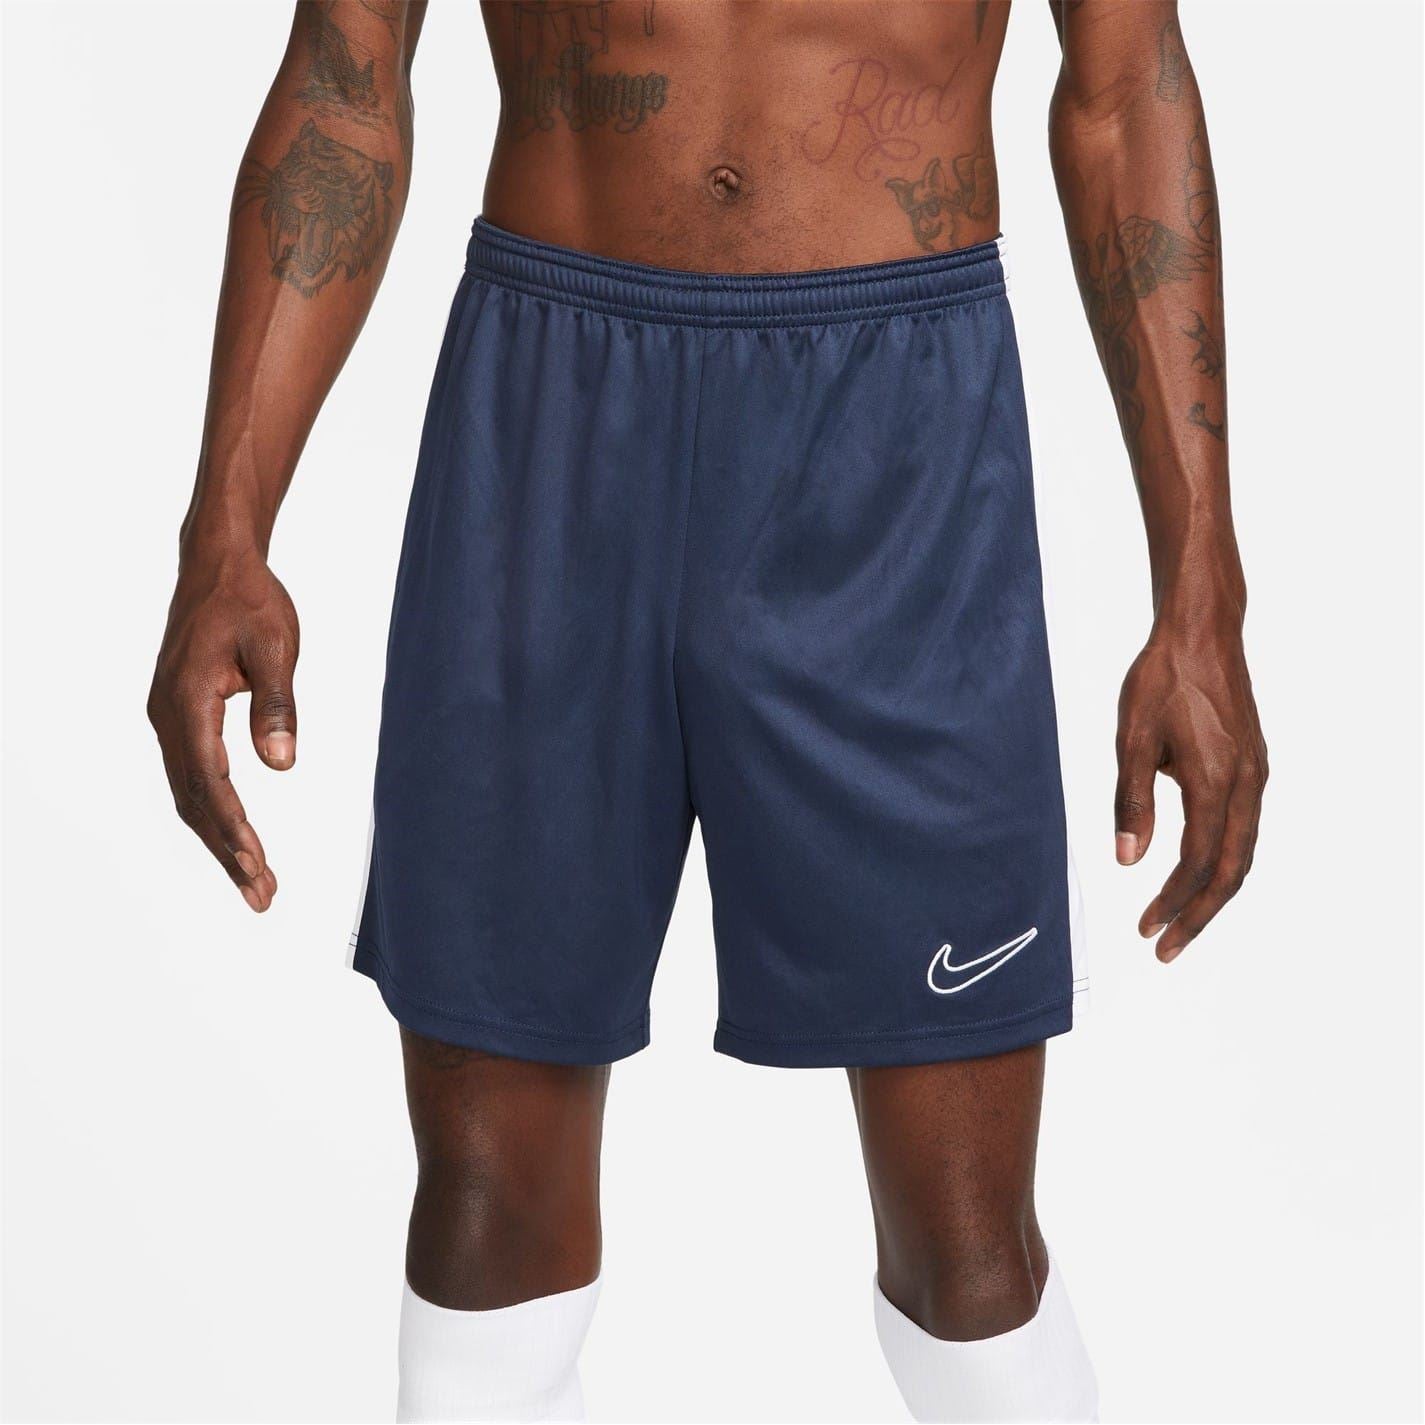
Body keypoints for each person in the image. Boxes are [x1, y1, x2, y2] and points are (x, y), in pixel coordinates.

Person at [147, 2, 1267, 1419]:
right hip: (548, 415)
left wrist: (1200, 586)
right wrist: (225, 529)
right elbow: (347, 67)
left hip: (894, 437)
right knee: (485, 1229)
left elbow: (1121, 93)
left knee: (967, 1260)